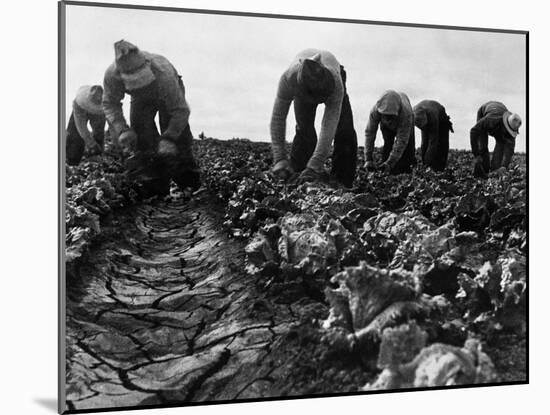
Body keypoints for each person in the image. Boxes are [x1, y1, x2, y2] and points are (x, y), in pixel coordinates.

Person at [103, 40, 201, 196]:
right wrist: (122, 129)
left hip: (165, 94)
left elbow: (180, 110)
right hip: (139, 99)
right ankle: (155, 187)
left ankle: (189, 184)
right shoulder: (112, 76)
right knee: (141, 135)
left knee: (177, 137)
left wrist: (169, 137)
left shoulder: (164, 73)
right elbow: (110, 104)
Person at [270, 49, 358, 188]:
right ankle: (297, 175)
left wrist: (315, 164)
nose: (316, 101)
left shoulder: (336, 84)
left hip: (332, 77)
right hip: (302, 83)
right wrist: (280, 158)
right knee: (304, 129)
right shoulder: (288, 79)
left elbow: (329, 125)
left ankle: (343, 181)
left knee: (344, 130)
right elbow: (278, 117)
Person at [364, 90, 416, 174]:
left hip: (404, 121)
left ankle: (407, 172)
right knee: (388, 143)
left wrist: (390, 162)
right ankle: (385, 169)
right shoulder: (375, 110)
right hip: (386, 126)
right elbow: (370, 133)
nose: (388, 119)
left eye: (390, 116)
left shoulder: (406, 114)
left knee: (408, 149)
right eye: (385, 115)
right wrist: (368, 158)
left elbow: (402, 140)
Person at [470, 101, 522, 178]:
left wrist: (504, 166)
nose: (509, 133)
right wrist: (476, 154)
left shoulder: (513, 128)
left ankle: (494, 171)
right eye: (507, 131)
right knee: (482, 145)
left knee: (501, 145)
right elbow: (473, 131)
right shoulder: (490, 120)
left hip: (499, 112)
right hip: (484, 111)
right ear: (505, 125)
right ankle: (482, 173)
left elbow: (509, 150)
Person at [66, 85, 105, 166]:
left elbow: (109, 124)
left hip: (99, 113)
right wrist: (91, 144)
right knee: (75, 134)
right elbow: (81, 126)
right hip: (80, 109)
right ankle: (72, 161)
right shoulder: (79, 102)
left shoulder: (105, 105)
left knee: (99, 134)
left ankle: (96, 158)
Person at [413, 100, 454, 172]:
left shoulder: (432, 115)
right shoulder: (413, 114)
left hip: (441, 119)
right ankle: (426, 164)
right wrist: (424, 163)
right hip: (424, 117)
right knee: (424, 142)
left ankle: (440, 168)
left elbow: (433, 142)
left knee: (442, 144)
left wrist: (427, 164)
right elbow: (424, 144)